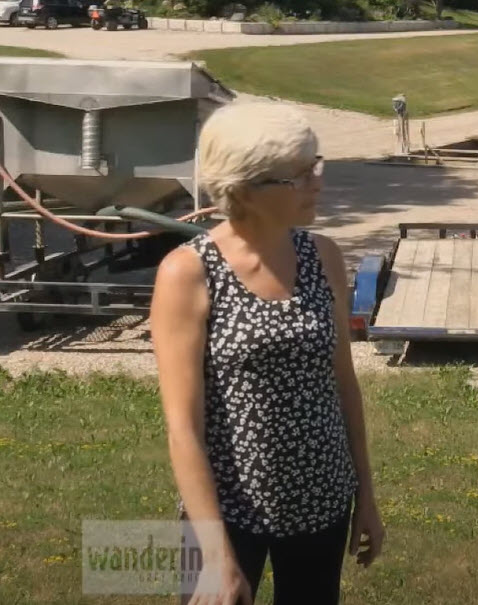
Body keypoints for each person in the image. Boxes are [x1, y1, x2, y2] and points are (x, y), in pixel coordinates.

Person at [150, 102, 384, 605]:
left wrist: (365, 491)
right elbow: (182, 427)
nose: (317, 181)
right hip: (227, 511)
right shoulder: (187, 273)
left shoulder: (323, 256)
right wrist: (214, 553)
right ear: (244, 190)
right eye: (299, 175)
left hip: (322, 499)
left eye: (315, 165)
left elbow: (343, 383)